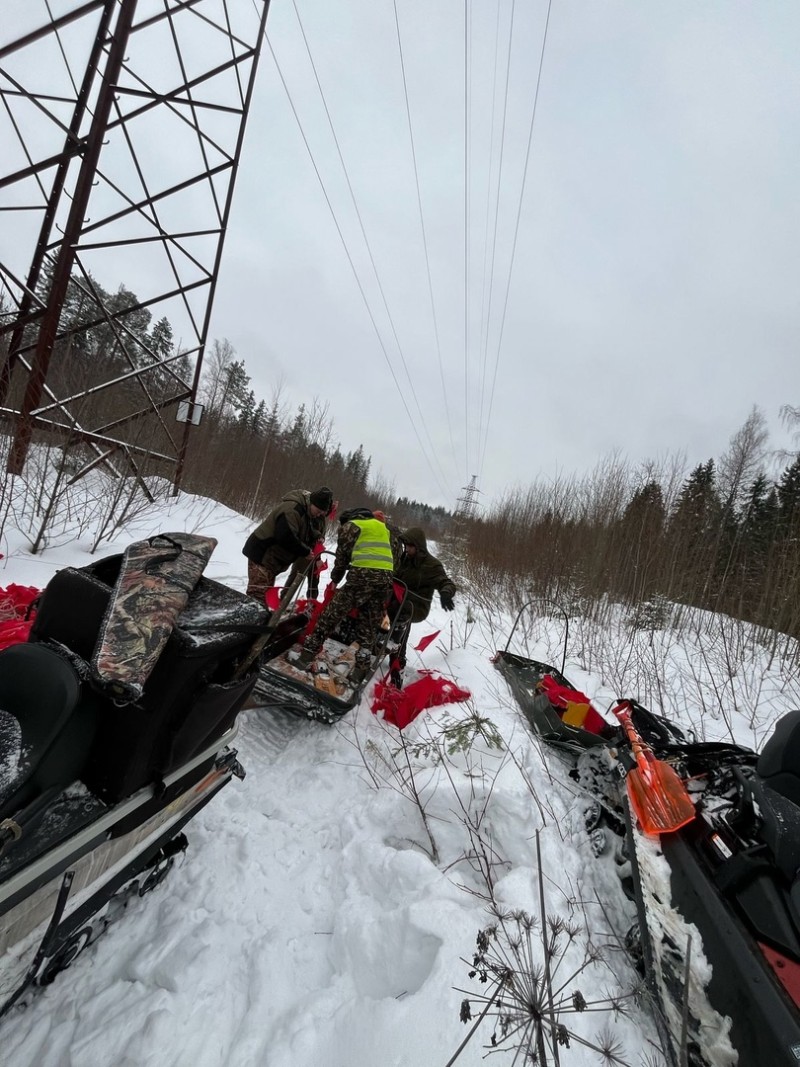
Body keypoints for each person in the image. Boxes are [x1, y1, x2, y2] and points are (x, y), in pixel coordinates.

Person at [291, 507, 399, 685]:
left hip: (361, 578)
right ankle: (359, 670)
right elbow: (393, 558)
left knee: (330, 615)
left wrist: (335, 580)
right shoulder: (385, 530)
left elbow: (341, 560)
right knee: (368, 625)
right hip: (384, 583)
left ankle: (306, 656)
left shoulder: (352, 526)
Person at [242, 486, 334, 603]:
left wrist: (317, 536)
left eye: (322, 513)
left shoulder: (307, 512)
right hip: (262, 554)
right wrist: (305, 551)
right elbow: (285, 536)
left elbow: (306, 529)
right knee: (257, 597)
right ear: (313, 503)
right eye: (319, 511)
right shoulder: (292, 510)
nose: (319, 514)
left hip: (271, 560)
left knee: (264, 597)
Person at [389, 527, 456, 686]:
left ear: (418, 546)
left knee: (399, 614)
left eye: (409, 546)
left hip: (417, 605)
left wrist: (446, 593)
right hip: (399, 597)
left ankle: (397, 660)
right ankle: (379, 642)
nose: (406, 549)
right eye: (405, 546)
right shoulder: (405, 559)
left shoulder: (431, 565)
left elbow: (445, 582)